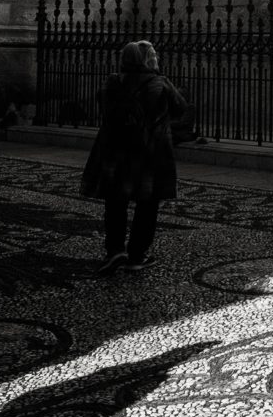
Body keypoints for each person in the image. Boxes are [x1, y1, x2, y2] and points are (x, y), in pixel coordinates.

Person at [81, 40, 192, 273]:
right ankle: (137, 254)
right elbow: (181, 109)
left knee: (115, 202)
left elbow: (101, 105)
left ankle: (115, 250)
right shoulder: (159, 84)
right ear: (149, 59)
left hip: (115, 149)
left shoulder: (112, 82)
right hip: (149, 152)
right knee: (147, 204)